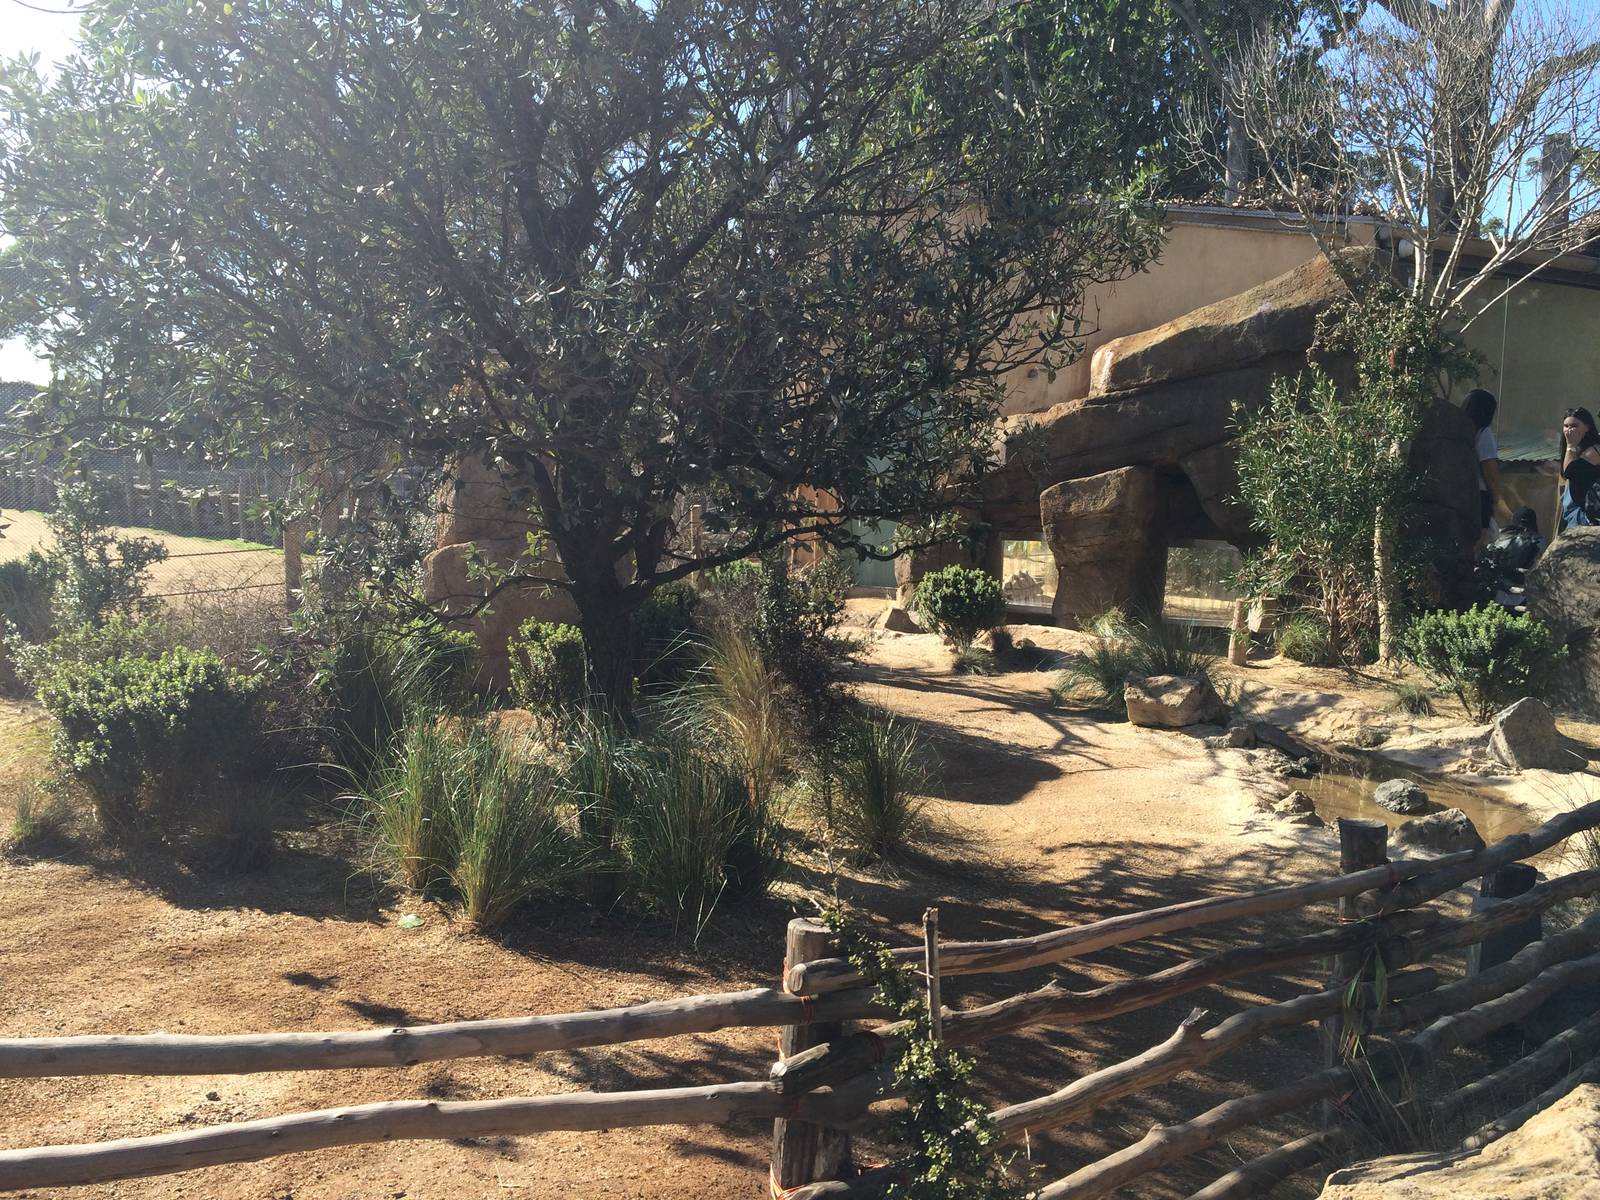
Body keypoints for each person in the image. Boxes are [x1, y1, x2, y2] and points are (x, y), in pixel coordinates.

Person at [1463, 388, 1502, 539]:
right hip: (1479, 496)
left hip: (1460, 492)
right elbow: (1490, 472)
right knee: (1482, 540)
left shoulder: (1460, 432)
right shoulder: (1484, 433)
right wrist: (1497, 499)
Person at [1561, 406, 1600, 528]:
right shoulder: (1578, 449)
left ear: (1587, 427)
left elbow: (1570, 472)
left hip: (1587, 516)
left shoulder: (1593, 449)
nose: (1569, 430)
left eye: (1574, 426)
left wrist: (1570, 446)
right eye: (1566, 426)